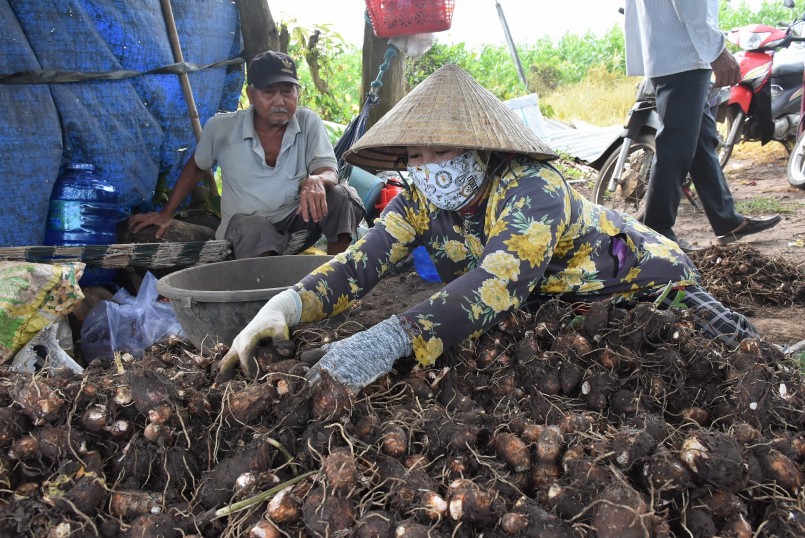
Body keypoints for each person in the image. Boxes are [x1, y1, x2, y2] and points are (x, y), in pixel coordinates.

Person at [216, 64, 761, 388]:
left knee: (743, 360)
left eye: (442, 150)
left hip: (640, 282)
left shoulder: (532, 189)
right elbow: (359, 265)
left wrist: (382, 342)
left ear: (480, 149)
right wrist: (286, 306)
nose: (427, 165)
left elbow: (494, 285)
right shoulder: (419, 200)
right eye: (415, 154)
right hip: (559, 306)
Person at [129, 50, 364, 257]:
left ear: (297, 93)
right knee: (255, 228)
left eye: (287, 91)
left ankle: (335, 276)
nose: (280, 101)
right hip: (246, 228)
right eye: (269, 92)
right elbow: (197, 166)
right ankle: (262, 285)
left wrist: (317, 179)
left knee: (342, 196)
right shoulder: (221, 128)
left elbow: (328, 170)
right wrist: (166, 212)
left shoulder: (307, 121)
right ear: (251, 95)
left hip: (296, 219)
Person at [623, 0, 781, 251]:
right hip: (684, 56)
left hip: (672, 53)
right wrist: (716, 51)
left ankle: (727, 220)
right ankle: (657, 231)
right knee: (676, 146)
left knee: (701, 141)